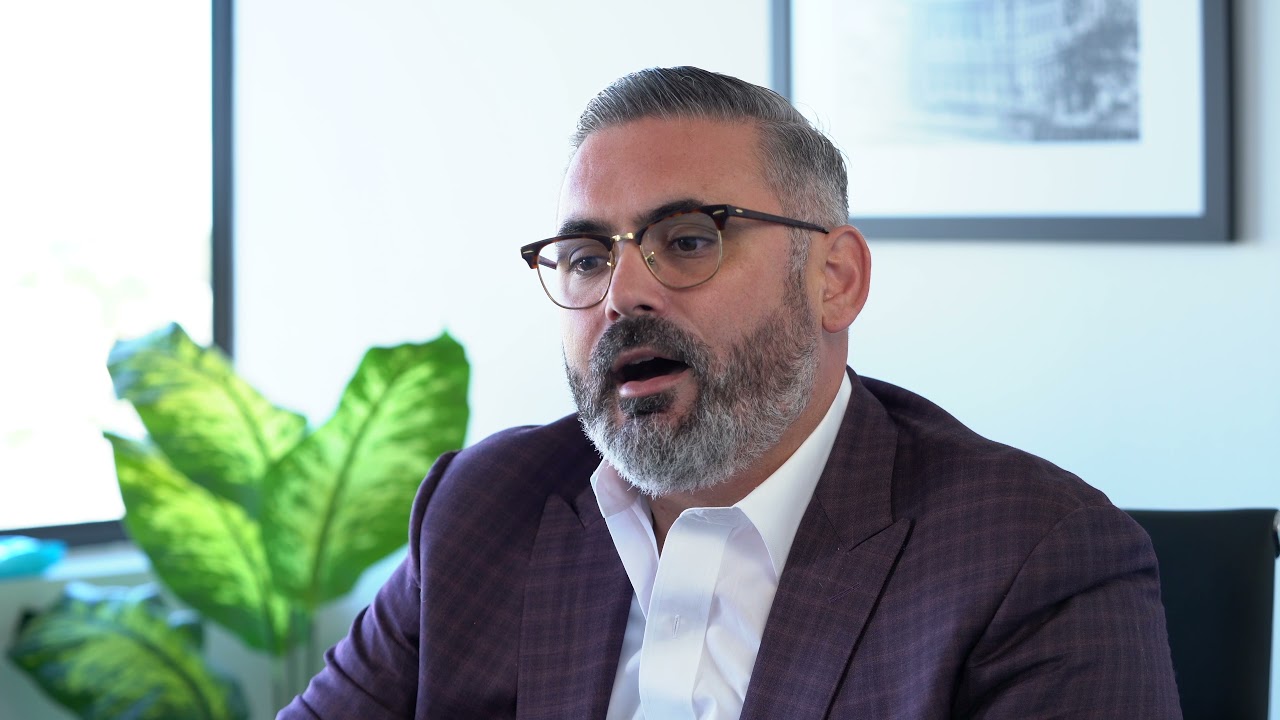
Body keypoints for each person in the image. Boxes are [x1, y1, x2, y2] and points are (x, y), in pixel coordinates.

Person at [279, 66, 1180, 719]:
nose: (623, 294)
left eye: (689, 238)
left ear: (836, 278)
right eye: (588, 257)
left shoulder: (1034, 558)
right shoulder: (486, 510)